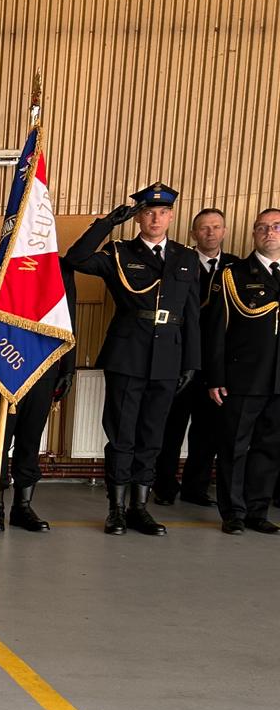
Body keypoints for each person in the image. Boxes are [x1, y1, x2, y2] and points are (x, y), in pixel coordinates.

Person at [63, 183, 201, 535]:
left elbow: (191, 314)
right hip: (128, 355)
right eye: (149, 212)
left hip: (168, 356)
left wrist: (191, 362)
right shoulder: (119, 252)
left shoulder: (186, 258)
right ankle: (117, 509)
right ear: (138, 217)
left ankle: (141, 507)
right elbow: (76, 259)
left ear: (171, 216)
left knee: (152, 435)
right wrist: (106, 224)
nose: (155, 218)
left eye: (162, 212)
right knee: (122, 434)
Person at [0, 258, 78, 532]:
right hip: (3, 363)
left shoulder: (59, 268)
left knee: (30, 439)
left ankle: (22, 506)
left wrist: (68, 368)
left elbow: (68, 319)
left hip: (43, 366)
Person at [203, 209, 280, 535]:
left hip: (278, 382)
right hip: (243, 378)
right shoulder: (233, 275)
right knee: (234, 447)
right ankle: (233, 512)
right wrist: (215, 377)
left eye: (276, 227)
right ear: (253, 234)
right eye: (262, 227)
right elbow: (216, 331)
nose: (269, 232)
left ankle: (257, 511)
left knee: (269, 449)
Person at [154, 207, 237, 506]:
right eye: (204, 227)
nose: (210, 232)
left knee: (208, 430)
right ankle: (164, 486)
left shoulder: (235, 268)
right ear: (193, 233)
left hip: (218, 363)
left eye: (216, 227)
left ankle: (195, 488)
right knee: (171, 427)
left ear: (224, 231)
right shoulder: (178, 261)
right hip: (180, 357)